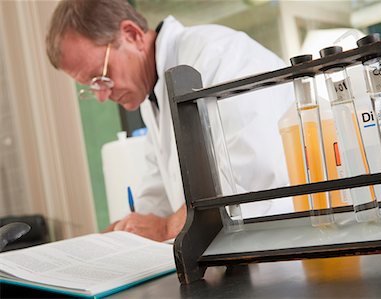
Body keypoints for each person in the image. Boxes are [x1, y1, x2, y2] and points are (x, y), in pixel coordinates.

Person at [46, 0, 294, 242]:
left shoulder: (217, 55)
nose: (101, 95)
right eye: (91, 86)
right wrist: (118, 234)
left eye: (101, 76)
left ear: (131, 35)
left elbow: (254, 178)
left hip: (282, 244)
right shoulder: (152, 94)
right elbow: (159, 194)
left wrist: (165, 228)